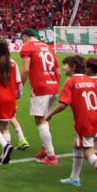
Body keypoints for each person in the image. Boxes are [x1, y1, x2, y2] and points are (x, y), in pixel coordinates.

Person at [45, 55, 97, 192]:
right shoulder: (91, 81)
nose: (63, 67)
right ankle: (74, 178)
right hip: (96, 119)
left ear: (73, 67)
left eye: (66, 65)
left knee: (89, 153)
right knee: (76, 145)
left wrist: (50, 114)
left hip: (84, 121)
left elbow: (64, 103)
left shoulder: (71, 82)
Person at [19, 29, 60, 165]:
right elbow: (58, 72)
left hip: (41, 87)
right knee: (44, 118)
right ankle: (44, 149)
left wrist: (18, 88)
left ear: (25, 37)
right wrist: (55, 87)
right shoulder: (48, 47)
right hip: (53, 86)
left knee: (40, 120)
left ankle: (51, 155)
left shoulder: (27, 46)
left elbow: (25, 70)